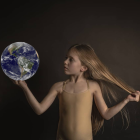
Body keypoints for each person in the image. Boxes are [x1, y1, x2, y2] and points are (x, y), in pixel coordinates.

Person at [10, 44, 140, 140]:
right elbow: (39, 110)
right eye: (66, 58)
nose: (65, 62)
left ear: (83, 67)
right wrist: (25, 87)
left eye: (71, 59)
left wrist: (126, 100)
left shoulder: (93, 86)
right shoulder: (58, 87)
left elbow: (106, 114)